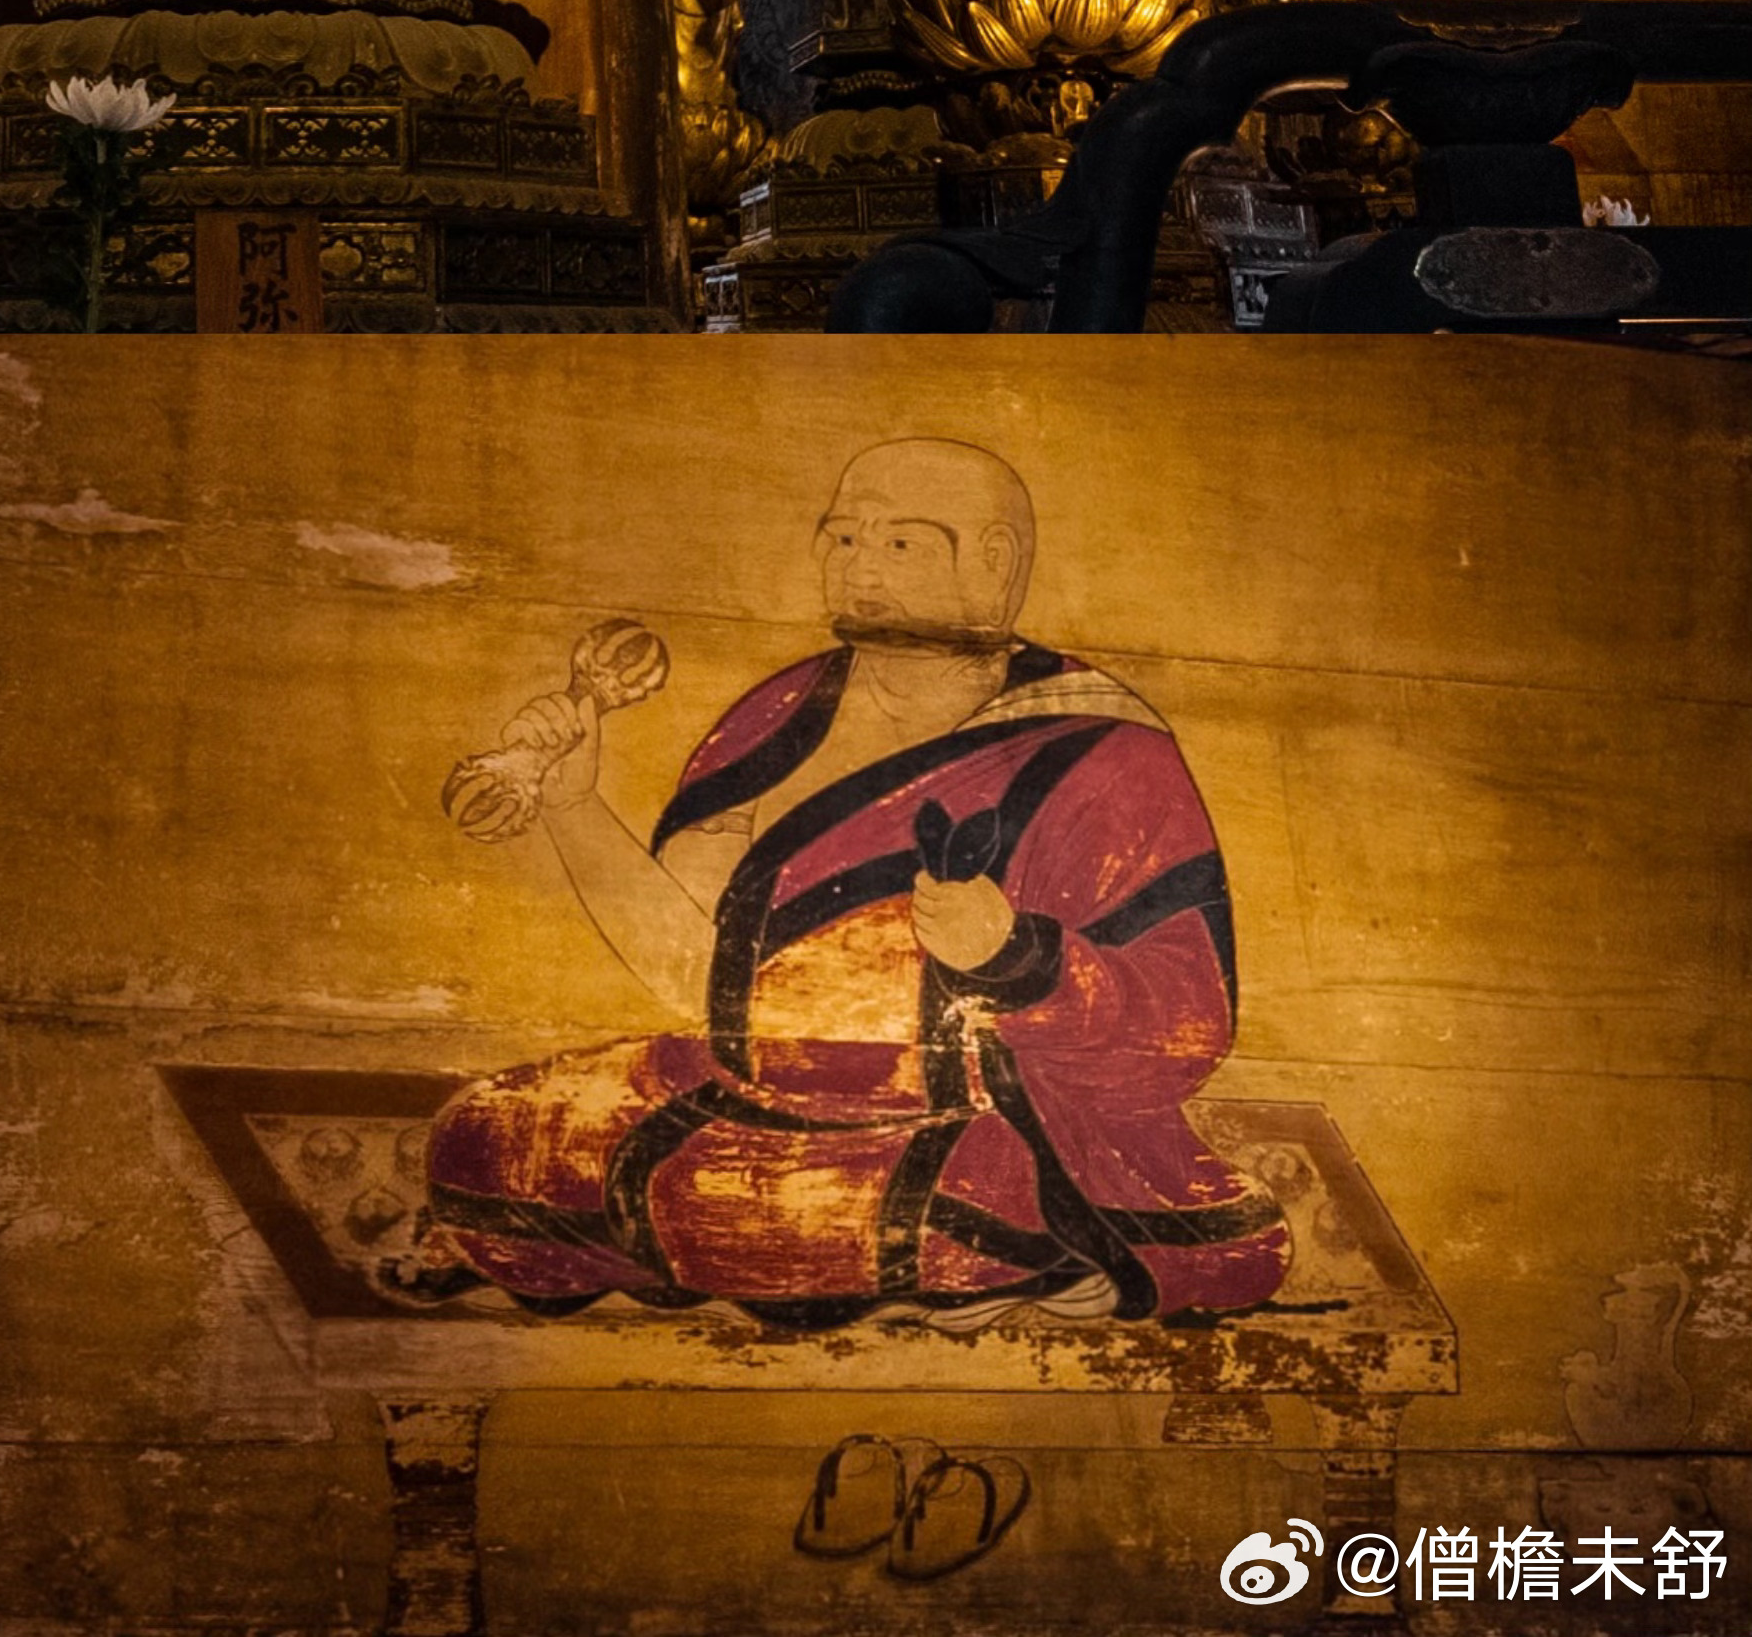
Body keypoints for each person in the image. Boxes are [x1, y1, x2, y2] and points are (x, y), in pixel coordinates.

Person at [424, 438, 1289, 1330]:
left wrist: (1016, 958)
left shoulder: (1102, 754)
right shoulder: (776, 717)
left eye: (900, 543)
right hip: (747, 1097)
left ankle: (926, 1250)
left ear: (993, 563)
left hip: (972, 1128)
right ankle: (790, 1241)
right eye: (843, 539)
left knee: (952, 1199)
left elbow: (1184, 1032)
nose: (859, 566)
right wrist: (575, 809)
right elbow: (694, 979)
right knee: (482, 1145)